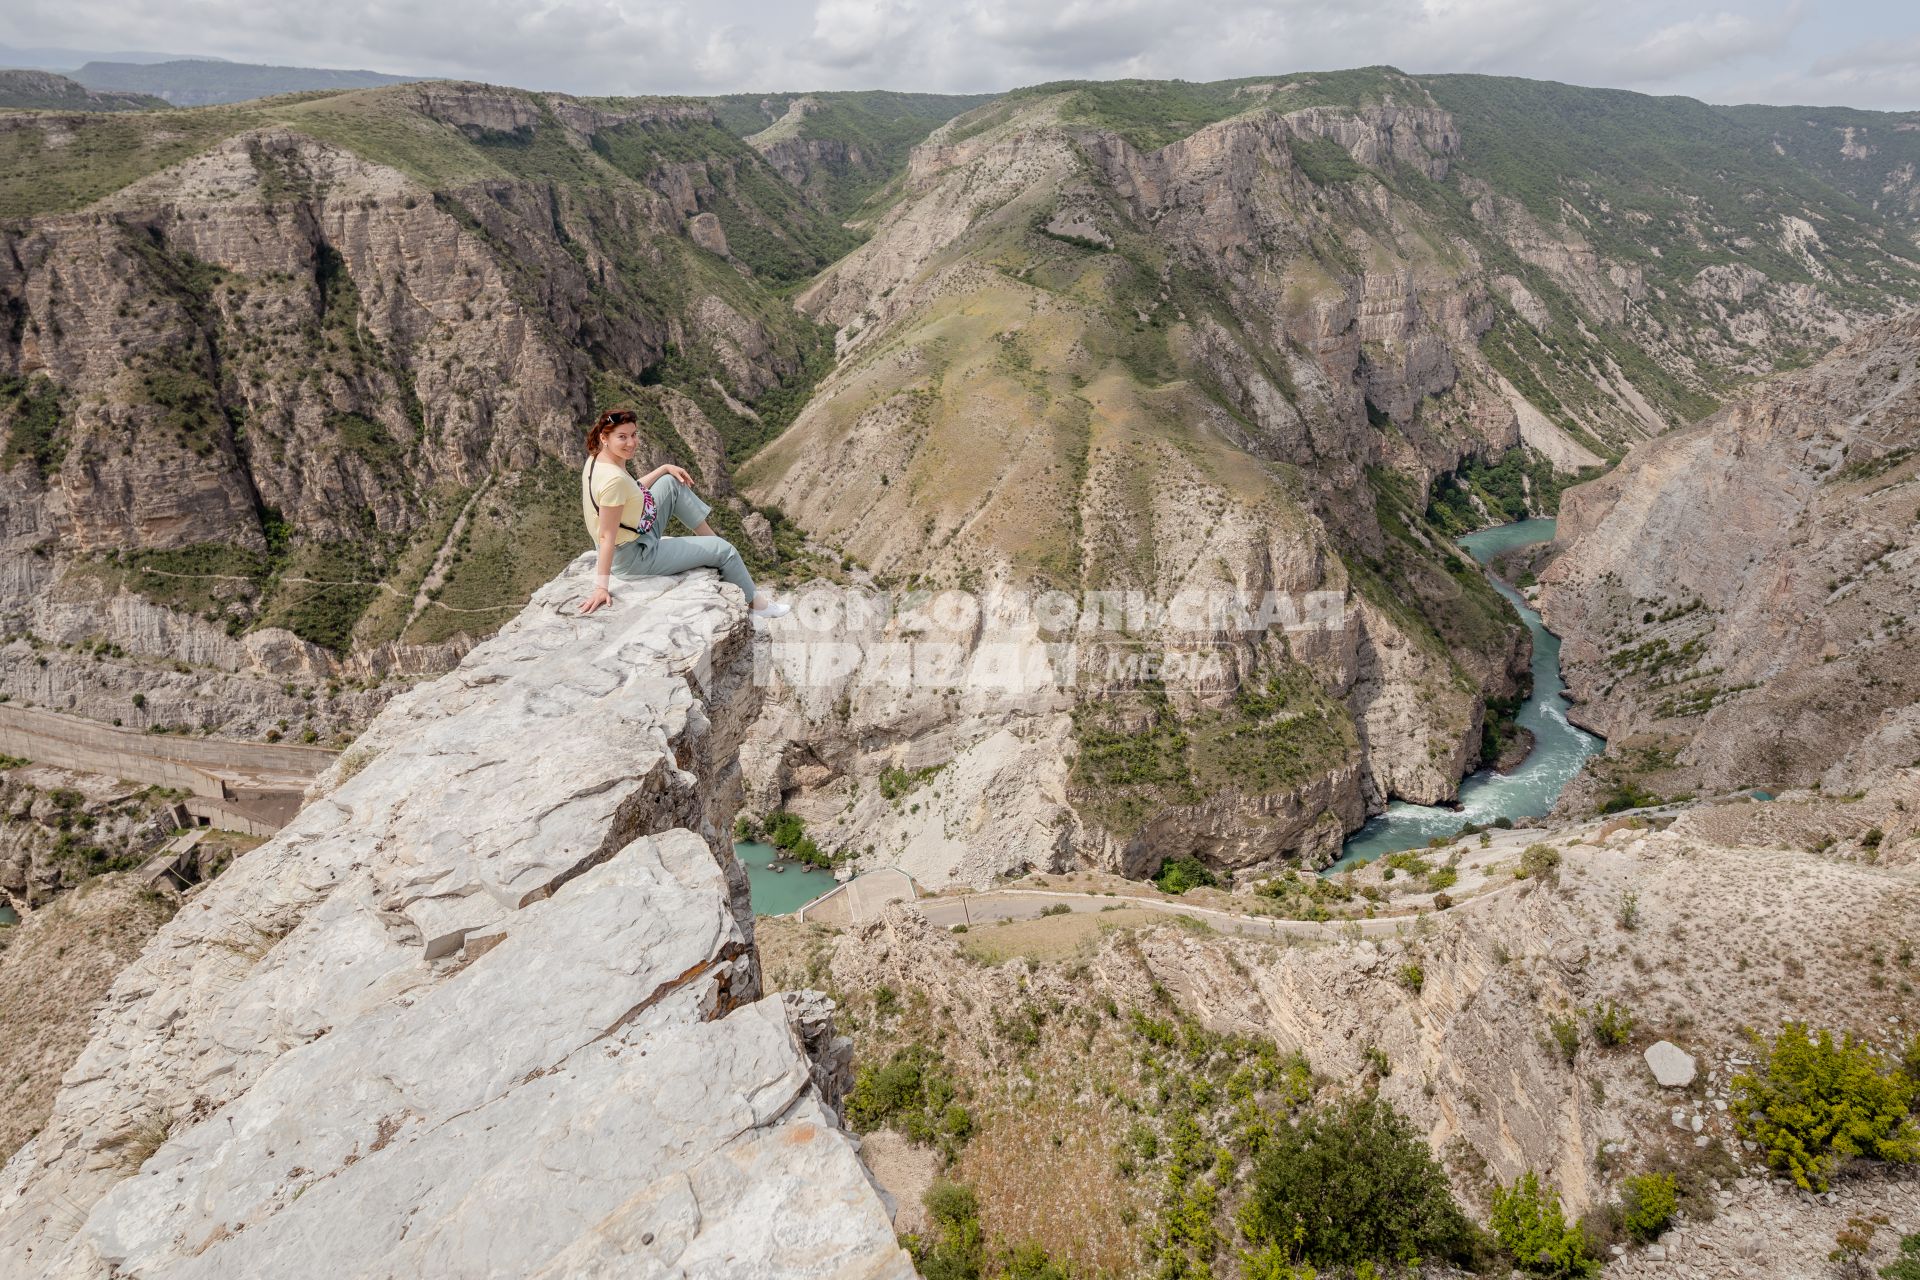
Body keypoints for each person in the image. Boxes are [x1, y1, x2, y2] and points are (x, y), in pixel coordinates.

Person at [576, 407, 788, 620]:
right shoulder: (614, 479)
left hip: (634, 533)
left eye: (633, 434)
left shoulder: (597, 459)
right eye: (622, 437)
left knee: (670, 483)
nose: (631, 443)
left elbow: (630, 492)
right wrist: (601, 587)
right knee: (727, 550)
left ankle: (710, 544)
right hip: (634, 558)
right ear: (604, 437)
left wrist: (664, 468)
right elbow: (606, 536)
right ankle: (757, 605)